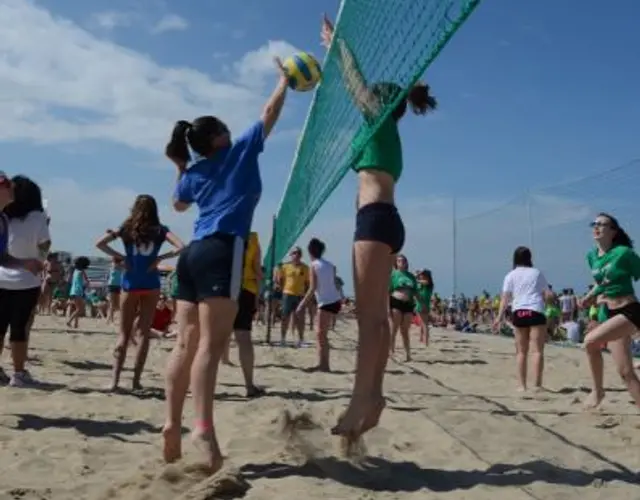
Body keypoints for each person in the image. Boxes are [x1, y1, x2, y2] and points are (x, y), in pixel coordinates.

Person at [161, 57, 288, 474]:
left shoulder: (195, 171)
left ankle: (170, 424)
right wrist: (284, 81)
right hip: (222, 250)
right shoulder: (237, 152)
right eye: (225, 130)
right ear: (217, 136)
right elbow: (268, 114)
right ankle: (202, 427)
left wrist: (182, 166)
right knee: (210, 349)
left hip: (192, 254)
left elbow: (178, 203)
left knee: (184, 344)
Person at [321, 14, 437, 444]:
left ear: (382, 103)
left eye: (373, 97)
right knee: (378, 321)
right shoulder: (386, 135)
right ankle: (374, 395)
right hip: (385, 221)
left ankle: (359, 400)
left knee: (370, 320)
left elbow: (354, 84)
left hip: (374, 222)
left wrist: (337, 47)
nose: (365, 98)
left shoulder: (382, 122)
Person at [96, 195, 184, 391]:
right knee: (143, 333)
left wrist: (121, 257)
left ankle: (115, 381)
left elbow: (100, 243)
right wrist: (160, 257)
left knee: (123, 334)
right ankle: (136, 381)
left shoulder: (126, 228)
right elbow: (181, 247)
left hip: (131, 282)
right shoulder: (160, 230)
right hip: (151, 282)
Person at [578, 213, 640, 410]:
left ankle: (598, 391)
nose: (596, 227)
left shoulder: (624, 253)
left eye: (602, 224)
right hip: (608, 313)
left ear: (613, 231)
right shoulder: (591, 256)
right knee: (625, 372)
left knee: (590, 341)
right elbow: (602, 282)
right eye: (593, 224)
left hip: (629, 311)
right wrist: (590, 295)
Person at [0, 174, 48, 386]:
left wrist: (24, 261)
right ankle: (18, 373)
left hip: (3, 276)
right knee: (19, 328)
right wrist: (38, 260)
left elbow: (3, 255)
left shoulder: (4, 217)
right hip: (26, 281)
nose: (10, 190)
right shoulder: (37, 217)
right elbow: (45, 243)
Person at [494, 246, 553, 393]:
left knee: (521, 352)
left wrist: (499, 317)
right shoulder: (537, 273)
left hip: (519, 311)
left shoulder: (510, 275)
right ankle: (537, 385)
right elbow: (548, 294)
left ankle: (522, 385)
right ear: (529, 258)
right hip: (536, 311)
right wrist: (549, 301)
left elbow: (505, 299)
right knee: (537, 351)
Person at [297, 238, 342, 372]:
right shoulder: (330, 265)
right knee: (322, 334)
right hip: (334, 300)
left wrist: (301, 305)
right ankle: (323, 363)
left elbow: (312, 288)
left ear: (310, 251)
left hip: (325, 302)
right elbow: (335, 284)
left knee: (320, 335)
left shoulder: (313, 265)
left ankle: (324, 365)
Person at [233, 231, 265, 397]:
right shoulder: (252, 238)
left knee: (211, 340)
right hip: (245, 290)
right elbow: (257, 269)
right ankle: (248, 386)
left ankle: (202, 387)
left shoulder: (218, 231)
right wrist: (259, 296)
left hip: (221, 289)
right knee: (243, 337)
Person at [278, 247, 309, 347]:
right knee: (285, 317)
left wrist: (306, 295)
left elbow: (307, 283)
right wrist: (283, 290)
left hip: (300, 295)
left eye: (298, 253)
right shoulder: (285, 266)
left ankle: (300, 340)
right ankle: (283, 339)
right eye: (294, 253)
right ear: (291, 255)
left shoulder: (305, 267)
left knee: (300, 318)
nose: (296, 255)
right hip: (287, 294)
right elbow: (280, 280)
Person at [389, 254, 417, 362]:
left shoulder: (411, 276)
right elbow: (388, 292)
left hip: (408, 303)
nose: (402, 262)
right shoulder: (393, 275)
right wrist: (387, 307)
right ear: (396, 263)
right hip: (396, 301)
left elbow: (415, 292)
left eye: (403, 261)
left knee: (405, 330)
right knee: (394, 329)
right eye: (399, 261)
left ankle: (408, 354)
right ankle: (391, 351)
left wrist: (421, 304)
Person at [414, 269, 434, 345]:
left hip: (424, 304)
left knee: (424, 323)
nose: (421, 276)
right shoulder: (424, 284)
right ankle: (421, 339)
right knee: (422, 323)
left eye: (422, 274)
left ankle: (426, 341)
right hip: (420, 304)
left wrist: (417, 274)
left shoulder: (427, 282)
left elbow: (416, 280)